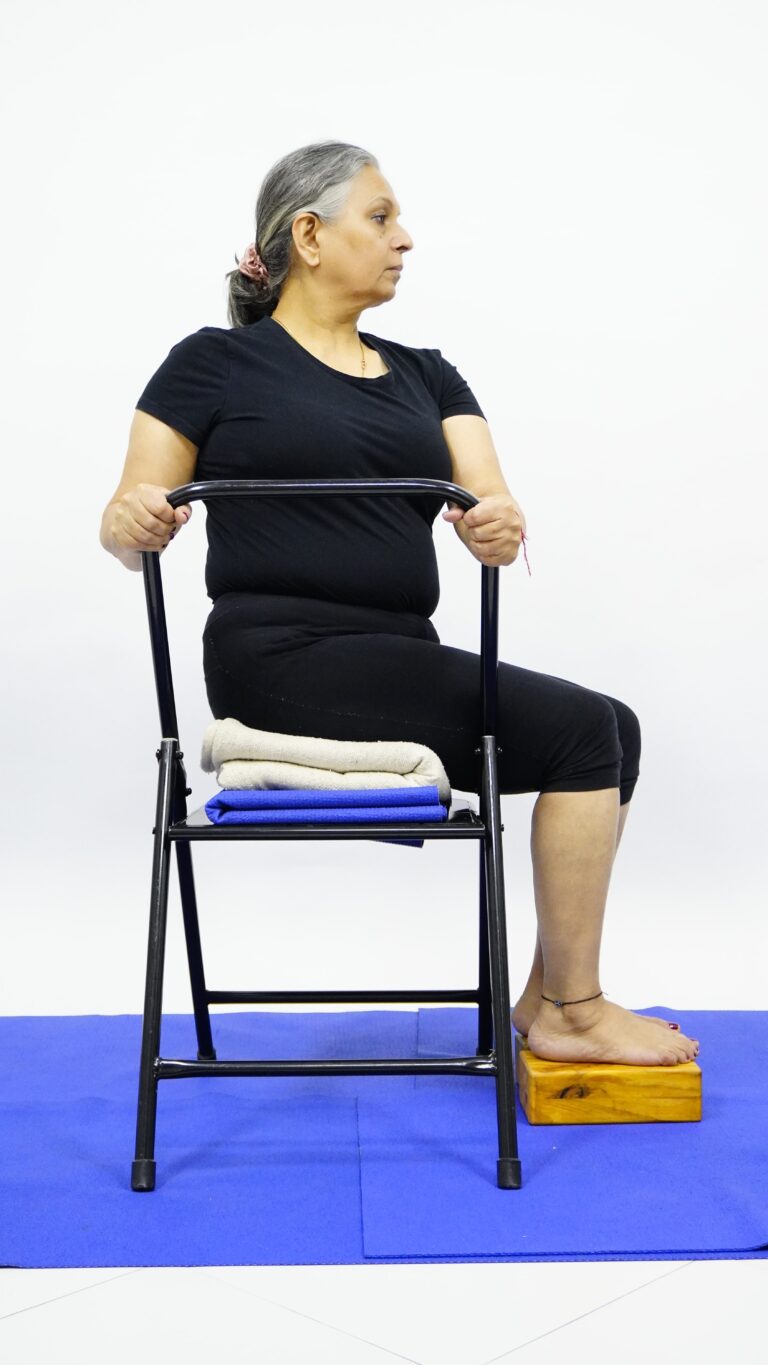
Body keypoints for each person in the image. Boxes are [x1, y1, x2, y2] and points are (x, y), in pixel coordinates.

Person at [100, 139, 698, 1069]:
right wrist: (133, 519)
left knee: (613, 726)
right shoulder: (212, 364)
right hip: (277, 660)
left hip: (394, 657)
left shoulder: (429, 373)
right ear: (309, 236)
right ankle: (575, 1014)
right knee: (586, 731)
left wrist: (496, 525)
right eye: (380, 218)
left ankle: (549, 995)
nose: (404, 238)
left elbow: (490, 501)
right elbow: (124, 521)